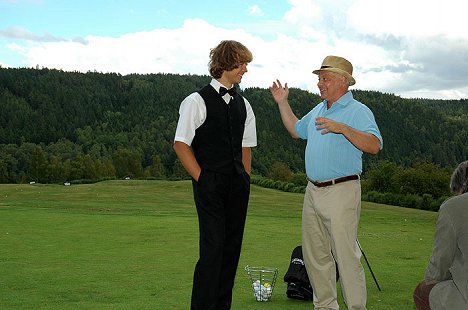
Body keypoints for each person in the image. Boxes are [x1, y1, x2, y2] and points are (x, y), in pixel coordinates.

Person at [270, 55, 383, 310]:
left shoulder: (358, 111)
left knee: (345, 256)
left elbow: (374, 145)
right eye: (319, 79)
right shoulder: (320, 109)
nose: (319, 84)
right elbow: (296, 130)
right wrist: (282, 103)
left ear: (343, 81)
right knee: (315, 257)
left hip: (341, 190)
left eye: (325, 79)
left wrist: (342, 128)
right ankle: (325, 307)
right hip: (312, 191)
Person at [173, 40, 256, 310]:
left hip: (237, 186)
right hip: (210, 184)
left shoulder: (245, 104)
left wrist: (245, 179)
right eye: (242, 63)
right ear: (227, 62)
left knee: (231, 252)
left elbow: (246, 146)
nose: (245, 69)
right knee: (212, 252)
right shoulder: (195, 101)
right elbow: (181, 143)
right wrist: (203, 179)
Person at [413, 161, 468, 310]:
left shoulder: (454, 206)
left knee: (422, 292)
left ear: (462, 186)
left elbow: (441, 260)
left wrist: (431, 281)